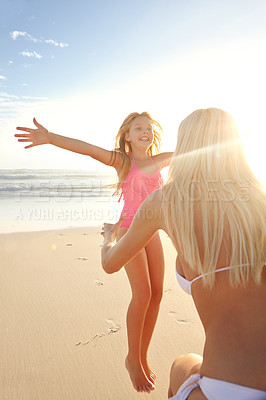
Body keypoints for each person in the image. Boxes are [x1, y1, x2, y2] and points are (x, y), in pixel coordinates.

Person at [101, 108, 266, 399]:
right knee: (178, 351)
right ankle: (134, 357)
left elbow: (110, 264)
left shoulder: (167, 199)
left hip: (229, 385)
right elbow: (90, 150)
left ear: (185, 145)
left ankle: (135, 358)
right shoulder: (258, 199)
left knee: (181, 363)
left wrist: (108, 238)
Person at [15, 112, 173, 393]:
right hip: (129, 229)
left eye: (149, 128)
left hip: (152, 231)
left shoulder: (159, 160)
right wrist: (50, 138)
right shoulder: (124, 161)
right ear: (127, 136)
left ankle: (142, 353)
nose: (145, 132)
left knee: (158, 293)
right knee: (143, 294)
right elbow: (88, 150)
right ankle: (132, 359)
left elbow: (197, 149)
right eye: (138, 128)